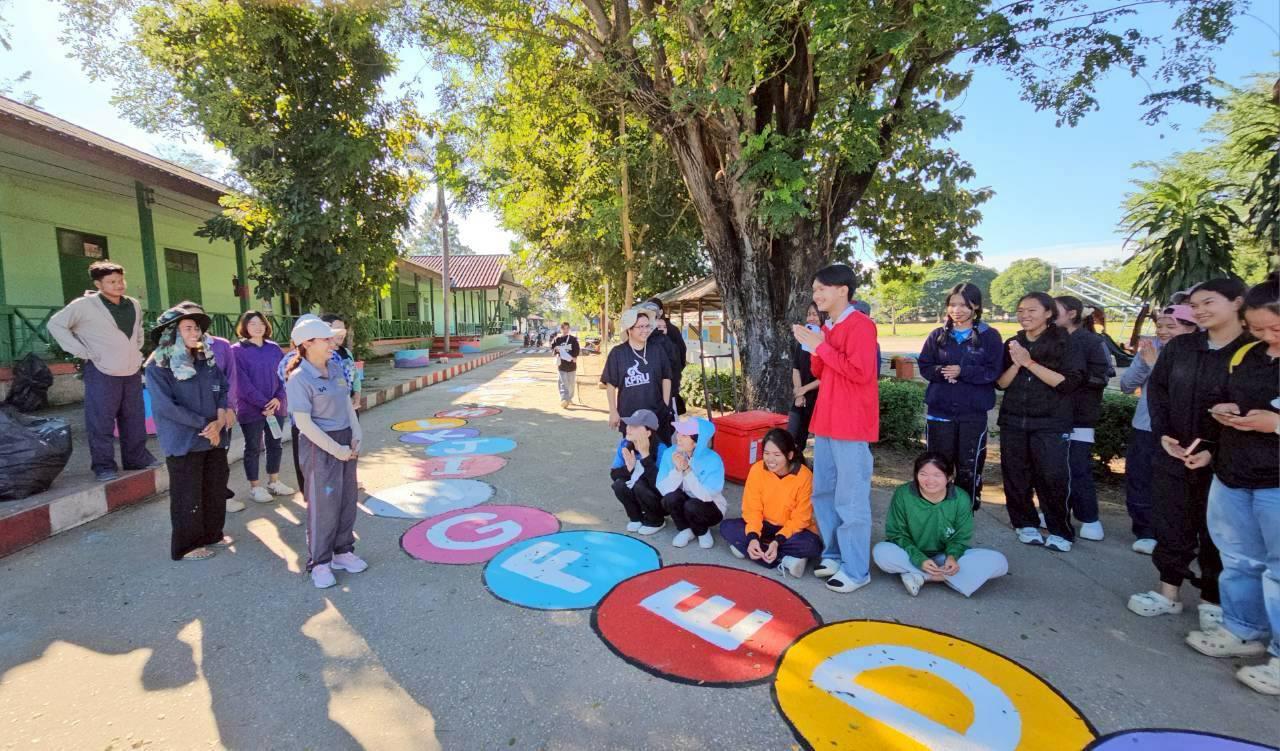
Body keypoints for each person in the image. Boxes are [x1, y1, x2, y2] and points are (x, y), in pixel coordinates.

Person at [1129, 277, 1251, 627]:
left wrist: (1213, 448)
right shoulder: (1183, 348)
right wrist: (1166, 435)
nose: (1200, 311)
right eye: (1196, 305)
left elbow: (1252, 404)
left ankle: (1214, 599)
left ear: (1237, 303)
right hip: (1173, 452)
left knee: (1217, 532)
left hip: (1227, 460)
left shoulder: (1253, 352)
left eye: (1209, 302)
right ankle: (1168, 592)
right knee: (1171, 522)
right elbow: (1160, 392)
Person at [1186, 273, 1280, 696]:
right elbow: (1226, 398)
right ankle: (1242, 630)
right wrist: (1222, 418)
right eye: (1258, 329)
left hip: (1275, 481)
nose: (1267, 338)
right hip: (1233, 473)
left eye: (1275, 329)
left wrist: (1276, 424)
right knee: (1239, 558)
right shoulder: (1247, 356)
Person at [791, 264, 880, 593]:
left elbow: (860, 373)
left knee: (851, 498)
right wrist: (815, 345)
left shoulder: (861, 325)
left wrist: (821, 346)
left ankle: (857, 569)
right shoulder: (828, 327)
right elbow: (822, 370)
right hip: (826, 421)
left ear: (843, 290)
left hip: (852, 424)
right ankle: (833, 553)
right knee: (824, 492)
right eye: (814, 291)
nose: (816, 296)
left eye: (821, 289)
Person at [46, 261, 157, 481]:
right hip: (101, 370)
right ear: (98, 283)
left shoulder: (132, 304)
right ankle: (104, 465)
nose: (119, 285)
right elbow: (55, 324)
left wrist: (136, 351)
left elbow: (138, 330)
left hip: (130, 370)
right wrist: (82, 351)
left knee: (134, 417)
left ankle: (136, 458)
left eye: (121, 280)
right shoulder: (84, 305)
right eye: (112, 282)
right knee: (101, 420)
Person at [996, 291, 1085, 552]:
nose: (1025, 315)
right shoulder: (1013, 342)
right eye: (1021, 310)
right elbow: (1001, 383)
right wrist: (1015, 363)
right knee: (1015, 475)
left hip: (1051, 422)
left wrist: (1028, 362)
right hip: (1013, 420)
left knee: (1052, 476)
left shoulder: (1066, 342)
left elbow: (1067, 383)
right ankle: (1025, 523)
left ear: (1048, 313)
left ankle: (1060, 530)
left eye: (1032, 310)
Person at [144, 302, 232, 561]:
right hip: (184, 439)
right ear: (172, 332)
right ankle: (188, 545)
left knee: (214, 488)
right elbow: (165, 407)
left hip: (214, 435)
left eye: (197, 328)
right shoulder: (158, 365)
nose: (196, 333)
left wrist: (219, 420)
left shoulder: (206, 359)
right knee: (188, 493)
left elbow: (222, 388)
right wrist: (205, 425)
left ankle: (212, 534)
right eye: (188, 328)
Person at [285, 317, 365, 589]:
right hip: (320, 445)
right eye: (327, 339)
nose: (333, 343)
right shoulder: (299, 378)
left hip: (344, 439)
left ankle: (343, 551)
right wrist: (336, 449)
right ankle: (319, 561)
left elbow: (345, 403)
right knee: (323, 504)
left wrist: (356, 433)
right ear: (307, 343)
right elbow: (304, 424)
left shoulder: (335, 367)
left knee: (346, 497)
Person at [916, 283, 1003, 510]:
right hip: (940, 413)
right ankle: (935, 508)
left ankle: (964, 510)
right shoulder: (937, 335)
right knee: (937, 465)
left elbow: (994, 372)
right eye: (952, 304)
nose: (957, 309)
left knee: (969, 466)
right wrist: (942, 372)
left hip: (972, 415)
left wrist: (963, 372)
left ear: (976, 306)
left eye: (964, 305)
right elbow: (925, 365)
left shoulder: (990, 336)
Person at [873, 452, 1008, 597]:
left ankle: (922, 577)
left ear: (949, 477)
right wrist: (919, 558)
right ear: (916, 475)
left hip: (944, 557)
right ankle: (949, 578)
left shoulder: (960, 498)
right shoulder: (903, 493)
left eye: (937, 475)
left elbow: (961, 537)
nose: (929, 480)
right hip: (910, 553)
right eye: (923, 474)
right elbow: (896, 533)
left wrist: (952, 557)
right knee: (881, 552)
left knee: (999, 562)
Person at [1120, 304, 1198, 555]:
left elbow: (1184, 391)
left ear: (1192, 327)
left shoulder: (1200, 353)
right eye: (1160, 326)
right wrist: (1144, 362)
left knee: (1178, 485)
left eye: (1170, 326)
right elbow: (1125, 385)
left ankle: (1179, 534)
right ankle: (1145, 531)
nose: (1162, 331)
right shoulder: (1151, 349)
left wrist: (1155, 364)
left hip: (1183, 431)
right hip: (1146, 425)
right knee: (1140, 479)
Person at [720, 428, 822, 578]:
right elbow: (752, 509)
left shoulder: (805, 476)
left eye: (776, 455)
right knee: (727, 527)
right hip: (763, 525)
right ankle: (785, 559)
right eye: (766, 454)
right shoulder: (757, 470)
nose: (770, 460)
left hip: (790, 531)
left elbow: (801, 519)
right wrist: (753, 537)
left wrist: (777, 542)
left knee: (812, 545)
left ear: (790, 455)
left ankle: (752, 549)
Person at [1054, 295, 1115, 541]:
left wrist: (1071, 380)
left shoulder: (1092, 341)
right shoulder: (1050, 339)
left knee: (1078, 468)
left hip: (1080, 416)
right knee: (1052, 470)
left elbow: (1103, 375)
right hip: (1051, 415)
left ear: (1071, 313)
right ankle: (1056, 514)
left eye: (1054, 309)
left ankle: (1089, 517)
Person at [231, 311, 294, 504]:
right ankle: (255, 487)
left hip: (276, 406)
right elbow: (241, 383)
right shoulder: (237, 350)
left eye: (261, 323)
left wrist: (278, 398)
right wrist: (263, 403)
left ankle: (274, 481)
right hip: (251, 409)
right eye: (252, 324)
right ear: (244, 327)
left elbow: (284, 374)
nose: (257, 327)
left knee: (275, 443)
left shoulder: (273, 348)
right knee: (253, 447)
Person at [601, 307, 674, 444]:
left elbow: (666, 377)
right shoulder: (617, 354)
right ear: (629, 329)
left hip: (657, 415)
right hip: (630, 417)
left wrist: (665, 404)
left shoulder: (657, 350)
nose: (645, 330)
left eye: (647, 326)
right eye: (640, 327)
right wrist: (613, 411)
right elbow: (610, 384)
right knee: (633, 459)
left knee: (659, 457)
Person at [656, 417, 726, 549]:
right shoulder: (670, 453)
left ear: (697, 442)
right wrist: (677, 470)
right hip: (686, 500)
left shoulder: (713, 460)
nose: (678, 437)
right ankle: (685, 529)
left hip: (710, 506)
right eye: (679, 433)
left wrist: (687, 470)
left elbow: (707, 495)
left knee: (692, 505)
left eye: (684, 435)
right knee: (669, 499)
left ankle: (702, 531)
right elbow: (663, 489)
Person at [609, 409, 667, 534]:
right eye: (629, 424)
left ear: (648, 432)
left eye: (635, 426)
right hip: (640, 492)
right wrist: (629, 470)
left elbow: (661, 485)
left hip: (659, 499)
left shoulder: (661, 450)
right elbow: (613, 474)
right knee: (619, 484)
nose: (628, 428)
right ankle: (636, 517)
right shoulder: (624, 444)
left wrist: (645, 456)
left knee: (639, 485)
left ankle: (656, 520)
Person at [788, 302, 824, 455]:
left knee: (822, 443)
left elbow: (826, 376)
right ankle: (795, 467)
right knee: (792, 438)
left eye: (815, 314)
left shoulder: (826, 341)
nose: (811, 318)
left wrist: (804, 390)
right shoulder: (802, 341)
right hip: (800, 397)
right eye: (809, 314)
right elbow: (796, 368)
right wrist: (799, 393)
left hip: (819, 398)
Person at [644, 297, 689, 415]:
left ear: (660, 312)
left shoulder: (670, 331)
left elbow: (681, 354)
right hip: (651, 387)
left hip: (669, 383)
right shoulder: (645, 329)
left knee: (669, 419)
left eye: (653, 311)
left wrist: (674, 376)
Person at [549, 321, 580, 408]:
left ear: (569, 329)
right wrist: (556, 350)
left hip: (571, 365)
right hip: (561, 365)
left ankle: (569, 398)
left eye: (567, 328)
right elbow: (552, 349)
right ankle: (564, 399)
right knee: (563, 382)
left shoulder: (573, 339)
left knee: (571, 383)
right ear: (561, 329)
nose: (565, 330)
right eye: (564, 328)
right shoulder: (557, 339)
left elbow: (577, 349)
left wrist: (574, 357)